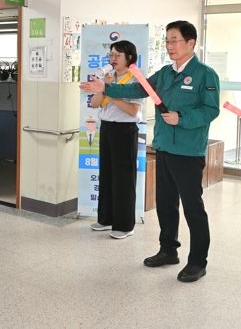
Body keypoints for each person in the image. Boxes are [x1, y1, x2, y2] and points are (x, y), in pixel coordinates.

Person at [81, 20, 220, 282]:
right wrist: (106, 88)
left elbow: (211, 109)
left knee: (192, 207)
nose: (169, 45)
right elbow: (138, 88)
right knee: (165, 204)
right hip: (164, 146)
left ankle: (197, 261)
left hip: (188, 151)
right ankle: (168, 250)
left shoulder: (205, 74)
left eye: (174, 40)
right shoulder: (165, 73)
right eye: (167, 40)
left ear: (191, 43)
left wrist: (182, 118)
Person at [89, 40, 143, 239]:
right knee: (106, 175)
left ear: (129, 57)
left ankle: (125, 225)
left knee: (123, 179)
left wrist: (110, 91)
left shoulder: (135, 78)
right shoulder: (109, 76)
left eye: (117, 55)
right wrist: (102, 86)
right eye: (111, 55)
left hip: (125, 130)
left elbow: (132, 111)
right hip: (107, 128)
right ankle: (106, 219)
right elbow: (95, 103)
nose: (113, 59)